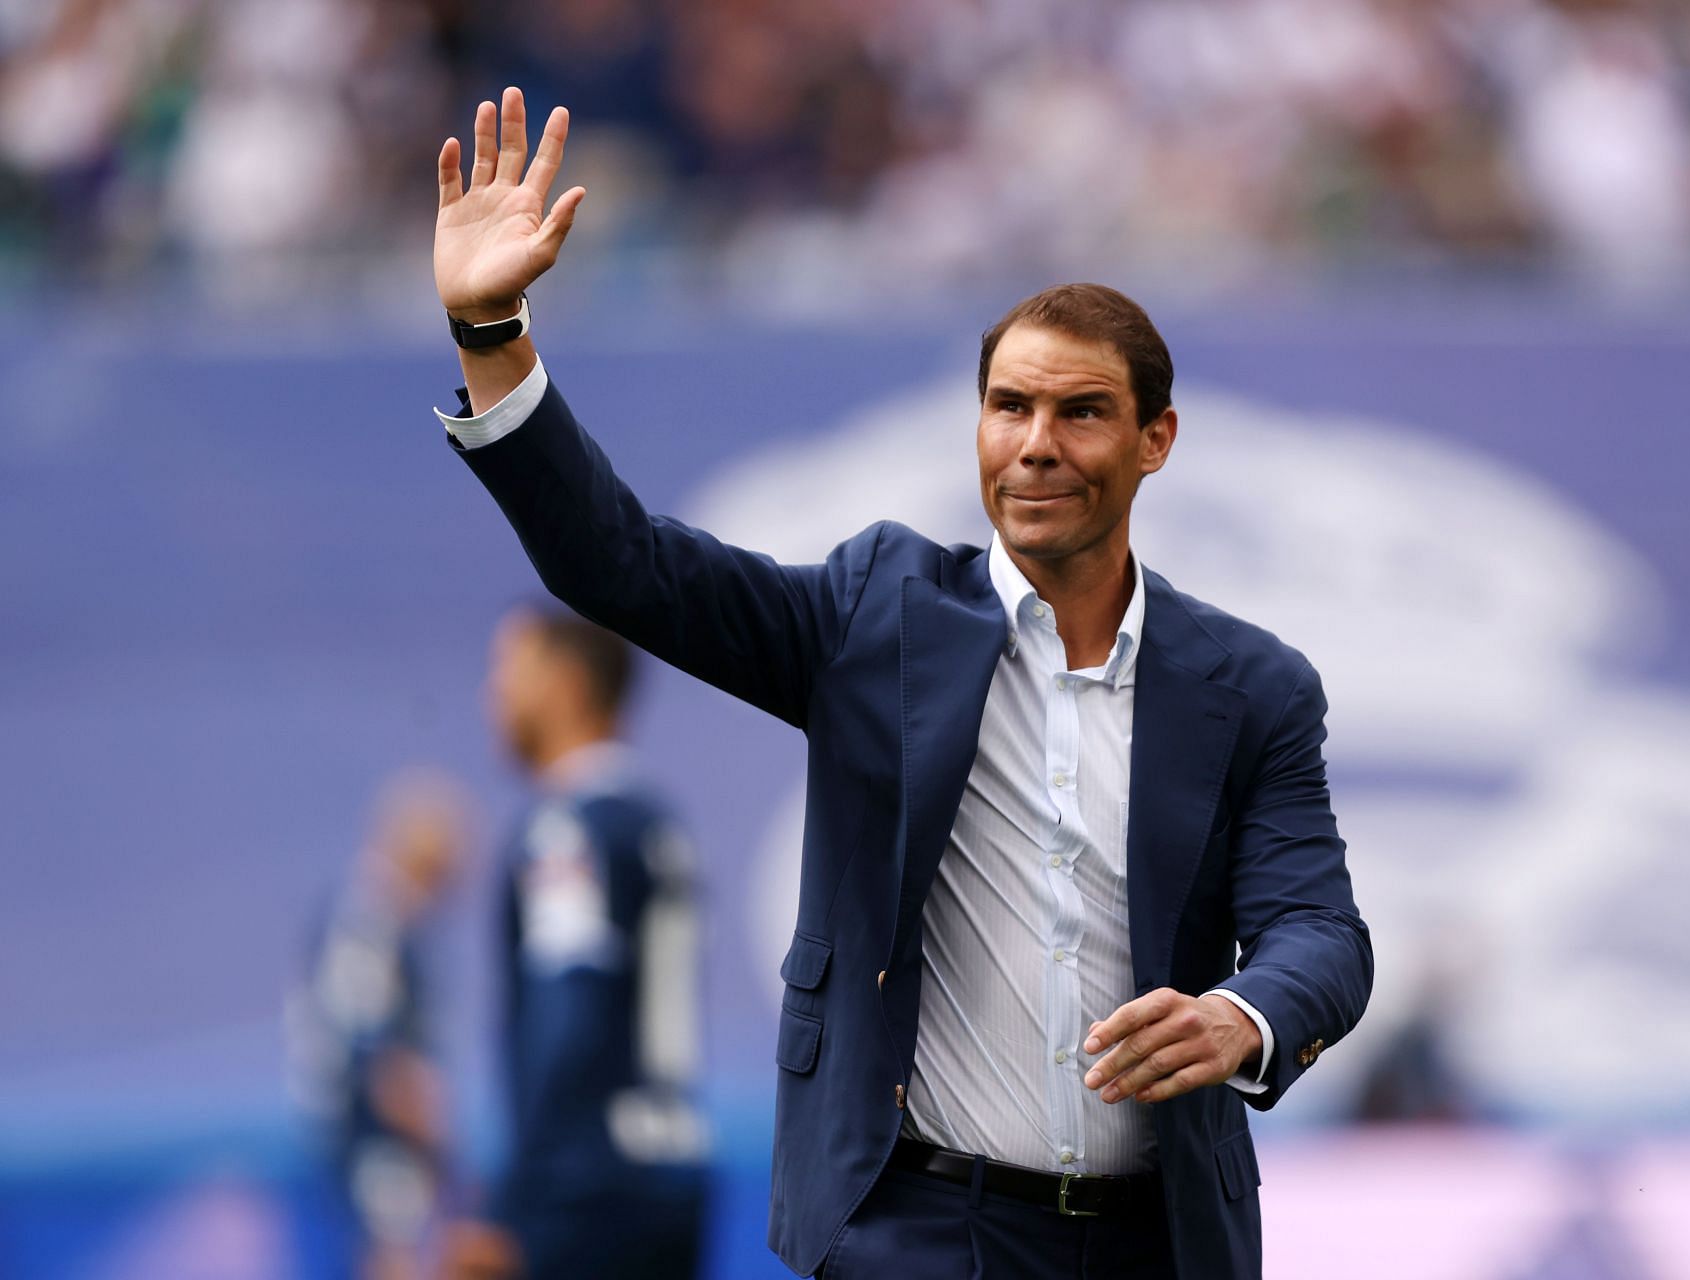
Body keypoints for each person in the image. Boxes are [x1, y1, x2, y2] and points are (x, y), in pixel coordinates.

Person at [429, 87, 1372, 1279]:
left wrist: (1240, 1013)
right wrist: (492, 329)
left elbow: (1321, 929)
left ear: (1157, 439)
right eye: (1008, 406)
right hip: (919, 1227)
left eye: (1082, 412)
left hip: (1158, 1237)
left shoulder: (1251, 686)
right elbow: (620, 561)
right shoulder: (878, 614)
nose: (1036, 443)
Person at [444, 605, 709, 1280]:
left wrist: (510, 1204)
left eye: (508, 669)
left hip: (585, 1190)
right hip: (670, 1170)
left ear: (564, 683)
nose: (492, 693)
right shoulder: (654, 821)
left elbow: (572, 1015)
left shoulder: (568, 830)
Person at [288, 772, 471, 1280]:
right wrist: (442, 1149)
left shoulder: (364, 917)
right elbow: (380, 1061)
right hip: (374, 1147)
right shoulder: (374, 921)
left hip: (358, 1142)